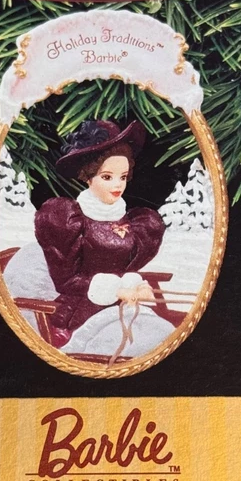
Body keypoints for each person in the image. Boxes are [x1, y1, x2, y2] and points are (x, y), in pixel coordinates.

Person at [33, 119, 174, 358]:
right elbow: (66, 281)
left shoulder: (136, 222)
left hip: (123, 306)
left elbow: (127, 268)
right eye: (107, 177)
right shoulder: (68, 220)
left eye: (123, 177)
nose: (118, 185)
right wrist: (116, 290)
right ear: (88, 177)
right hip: (82, 312)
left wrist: (136, 285)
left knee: (153, 334)